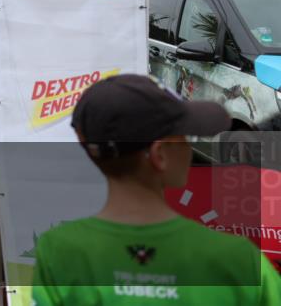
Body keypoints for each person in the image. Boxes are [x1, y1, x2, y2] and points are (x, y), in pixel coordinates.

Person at [32, 73, 281, 305]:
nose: (188, 147)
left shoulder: (58, 251)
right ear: (160, 154)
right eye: (184, 137)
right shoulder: (239, 260)